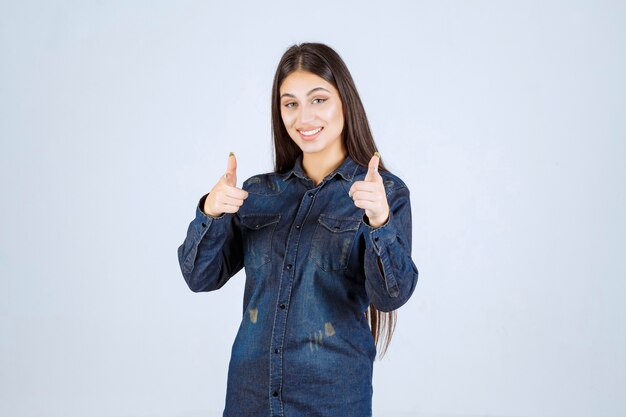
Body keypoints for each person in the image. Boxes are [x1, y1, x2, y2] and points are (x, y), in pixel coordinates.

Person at [177, 42, 419, 417]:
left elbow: (391, 296)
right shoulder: (258, 194)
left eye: (318, 99)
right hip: (250, 398)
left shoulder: (384, 194)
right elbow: (199, 276)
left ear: (344, 102)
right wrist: (211, 212)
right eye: (290, 103)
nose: (303, 116)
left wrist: (379, 223)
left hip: (332, 400)